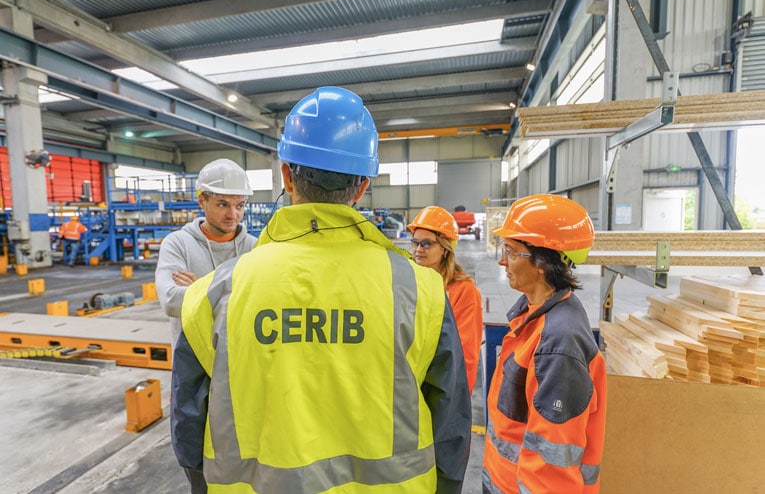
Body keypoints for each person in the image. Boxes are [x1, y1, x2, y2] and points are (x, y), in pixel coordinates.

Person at [171, 86, 472, 494]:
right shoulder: (422, 292)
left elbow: (189, 422)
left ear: (286, 175)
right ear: (363, 185)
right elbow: (451, 421)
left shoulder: (213, 295)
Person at [482, 194, 607, 494]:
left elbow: (551, 468)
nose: (502, 260)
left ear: (542, 263)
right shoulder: (533, 316)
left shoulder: (558, 344)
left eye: (512, 252)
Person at [155, 157, 257, 349]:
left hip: (241, 356)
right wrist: (235, 294)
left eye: (240, 206)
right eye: (222, 204)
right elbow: (172, 302)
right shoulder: (178, 244)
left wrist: (199, 287)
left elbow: (261, 304)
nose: (233, 215)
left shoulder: (253, 248)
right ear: (202, 201)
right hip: (193, 362)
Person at [407, 206, 483, 394]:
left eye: (426, 244)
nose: (418, 249)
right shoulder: (409, 282)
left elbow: (466, 354)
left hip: (441, 387)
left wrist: (455, 397)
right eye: (415, 243)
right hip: (410, 382)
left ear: (445, 248)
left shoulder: (463, 290)